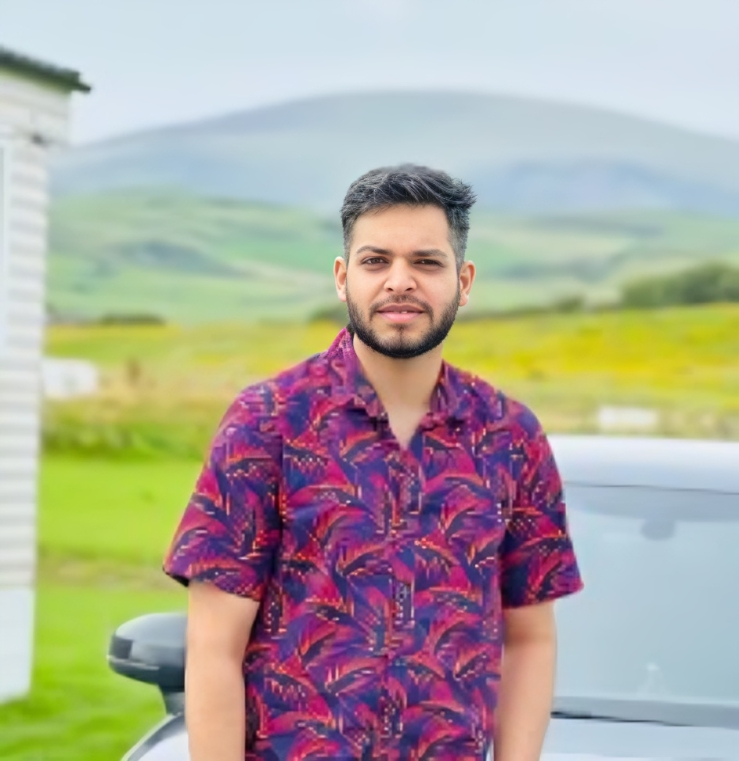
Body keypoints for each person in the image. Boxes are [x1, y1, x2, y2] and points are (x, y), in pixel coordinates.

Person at [163, 164, 584, 761]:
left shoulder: (510, 437)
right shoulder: (268, 422)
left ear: (464, 280)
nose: (400, 281)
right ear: (343, 278)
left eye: (427, 262)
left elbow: (530, 639)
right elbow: (212, 647)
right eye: (376, 261)